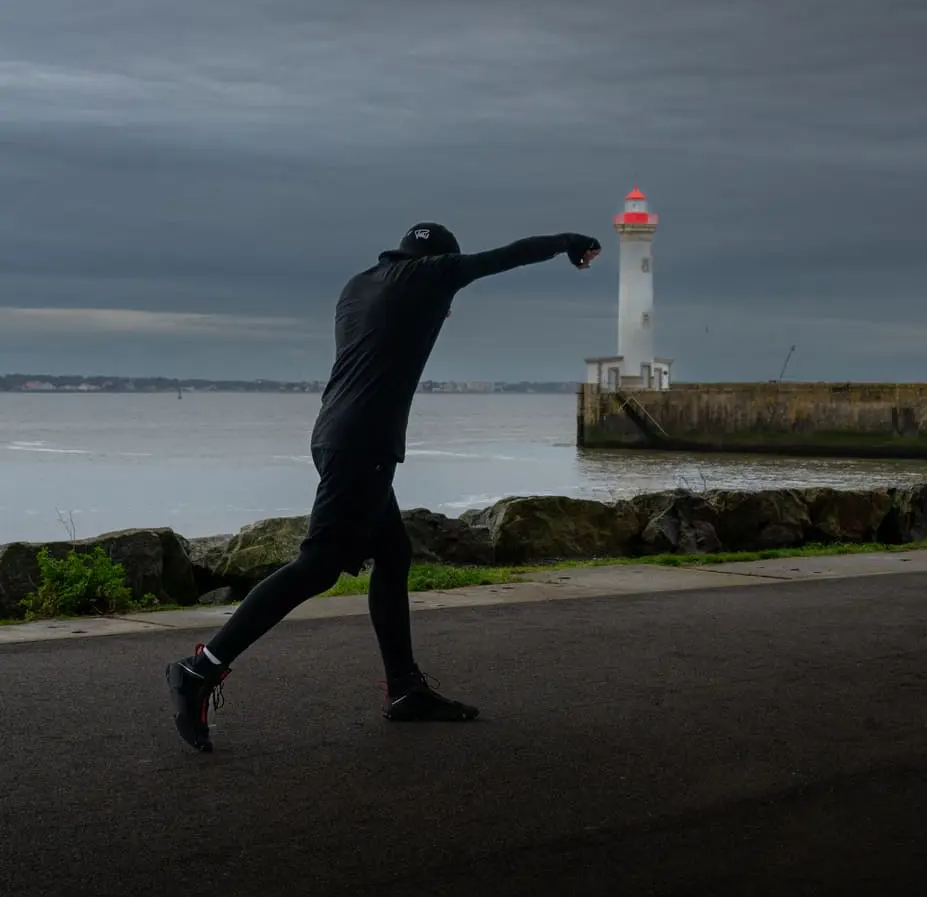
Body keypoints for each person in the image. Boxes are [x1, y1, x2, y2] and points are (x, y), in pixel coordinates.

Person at [166, 222, 601, 751]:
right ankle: (200, 669)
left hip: (333, 434)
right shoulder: (430, 274)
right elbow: (504, 256)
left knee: (393, 554)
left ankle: (404, 691)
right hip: (364, 443)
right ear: (437, 262)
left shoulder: (359, 284)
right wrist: (567, 243)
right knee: (319, 564)